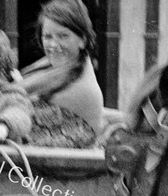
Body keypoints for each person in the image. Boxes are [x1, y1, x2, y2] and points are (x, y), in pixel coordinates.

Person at [18, 0, 104, 135]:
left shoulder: (79, 88)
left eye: (63, 36)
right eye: (47, 36)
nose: (53, 45)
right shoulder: (64, 64)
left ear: (83, 40)